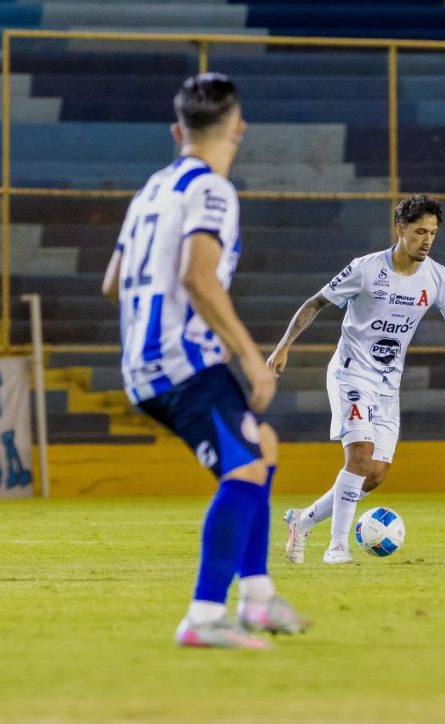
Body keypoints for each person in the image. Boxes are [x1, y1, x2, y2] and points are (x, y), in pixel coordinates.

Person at [102, 72, 308, 649]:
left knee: (261, 449)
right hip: (181, 361)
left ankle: (260, 599)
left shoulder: (151, 191)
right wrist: (251, 357)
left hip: (145, 359)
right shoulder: (213, 191)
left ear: (177, 130)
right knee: (243, 470)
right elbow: (197, 277)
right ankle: (204, 615)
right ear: (238, 127)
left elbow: (113, 283)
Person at [267, 194, 445, 564]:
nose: (427, 240)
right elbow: (315, 302)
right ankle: (337, 547)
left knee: (374, 474)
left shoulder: (436, 276)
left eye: (433, 233)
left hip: (387, 385)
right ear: (400, 230)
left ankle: (301, 521)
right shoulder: (365, 269)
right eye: (419, 232)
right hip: (351, 373)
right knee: (359, 455)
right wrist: (284, 346)